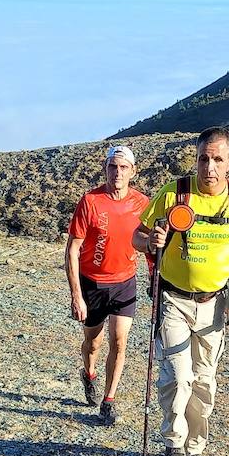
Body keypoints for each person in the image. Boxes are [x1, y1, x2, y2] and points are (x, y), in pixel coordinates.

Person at [133, 127, 229, 456]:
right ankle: (174, 442)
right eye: (203, 158)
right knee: (178, 376)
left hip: (215, 305)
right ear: (196, 159)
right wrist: (151, 242)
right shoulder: (174, 193)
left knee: (204, 380)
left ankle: (196, 447)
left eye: (217, 159)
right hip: (173, 299)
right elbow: (138, 235)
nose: (209, 167)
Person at [66, 145, 151, 424]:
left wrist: (154, 277)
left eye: (123, 167)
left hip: (125, 282)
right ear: (105, 169)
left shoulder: (142, 203)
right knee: (93, 342)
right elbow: (72, 250)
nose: (117, 172)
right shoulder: (90, 201)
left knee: (119, 340)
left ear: (132, 171)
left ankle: (109, 400)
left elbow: (152, 245)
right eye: (113, 166)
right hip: (92, 283)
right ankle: (88, 373)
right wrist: (77, 295)